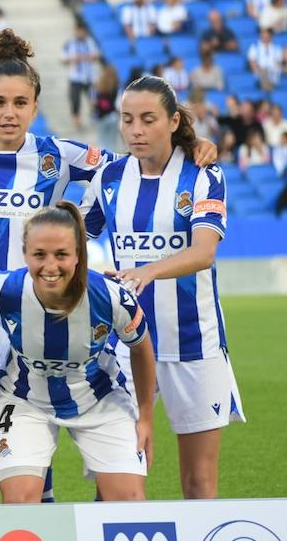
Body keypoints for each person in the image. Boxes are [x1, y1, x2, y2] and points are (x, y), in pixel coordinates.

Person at [0, 32, 215, 503]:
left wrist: (192, 147)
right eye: (0, 102)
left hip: (39, 311)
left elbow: (136, 160)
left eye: (21, 103)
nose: (10, 113)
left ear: (35, 106)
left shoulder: (60, 155)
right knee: (2, 453)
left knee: (36, 421)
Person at [81, 76, 244, 499]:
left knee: (199, 481)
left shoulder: (204, 175)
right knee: (115, 478)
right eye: (127, 119)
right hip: (126, 344)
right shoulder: (109, 178)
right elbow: (74, 236)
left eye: (148, 119)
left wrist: (147, 270)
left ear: (173, 121)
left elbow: (204, 252)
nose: (135, 129)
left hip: (194, 342)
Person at [0, 203, 154, 503]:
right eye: (39, 255)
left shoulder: (111, 297)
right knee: (19, 505)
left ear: (78, 255)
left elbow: (141, 349)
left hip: (99, 399)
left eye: (61, 255)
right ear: (25, 254)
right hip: (24, 400)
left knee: (129, 503)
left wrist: (146, 417)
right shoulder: (4, 291)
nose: (50, 266)